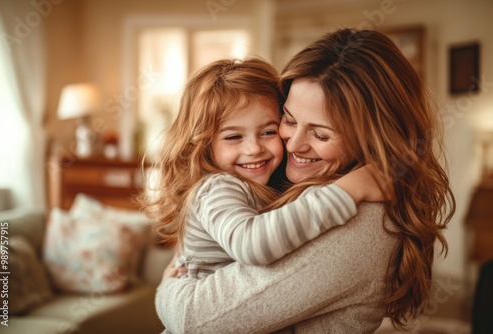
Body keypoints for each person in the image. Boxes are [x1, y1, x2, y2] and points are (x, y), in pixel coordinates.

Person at [155, 28, 456, 333]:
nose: (293, 144)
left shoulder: (360, 220)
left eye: (321, 134)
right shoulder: (259, 181)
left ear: (372, 140)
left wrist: (170, 287)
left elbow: (194, 321)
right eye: (288, 119)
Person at [142, 57, 384, 282]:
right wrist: (346, 192)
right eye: (234, 136)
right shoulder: (218, 187)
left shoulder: (262, 184)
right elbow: (251, 245)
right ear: (204, 145)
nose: (254, 148)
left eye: (268, 132)